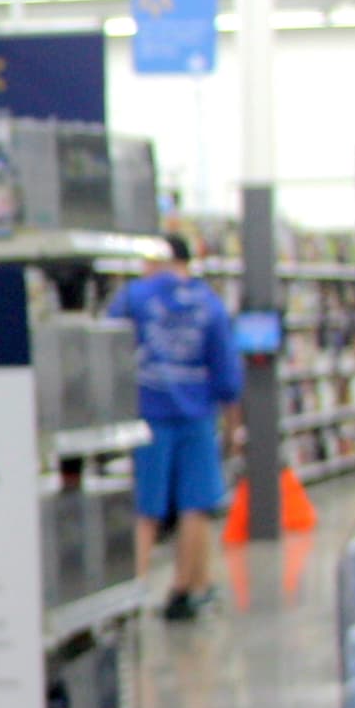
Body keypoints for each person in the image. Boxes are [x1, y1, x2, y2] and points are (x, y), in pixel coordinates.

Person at [110, 233, 246, 620]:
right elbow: (227, 375)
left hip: (147, 414)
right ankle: (187, 589)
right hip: (197, 416)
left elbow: (107, 345)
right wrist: (233, 427)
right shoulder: (209, 303)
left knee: (146, 510)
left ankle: (131, 597)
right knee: (196, 505)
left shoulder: (134, 298)